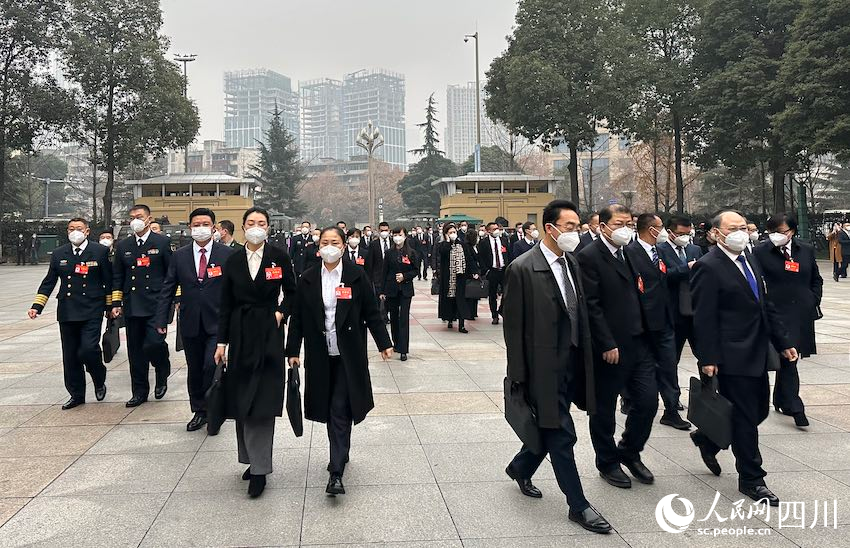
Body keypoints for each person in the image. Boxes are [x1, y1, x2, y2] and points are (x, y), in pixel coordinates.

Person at [503, 199, 611, 534]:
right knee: (562, 435)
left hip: (573, 362)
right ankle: (578, 506)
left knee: (551, 428)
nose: (575, 233)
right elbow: (513, 328)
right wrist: (519, 377)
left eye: (578, 226)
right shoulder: (522, 268)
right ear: (549, 228)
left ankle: (521, 467)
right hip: (541, 367)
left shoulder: (572, 263)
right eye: (569, 227)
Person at [690, 210, 797, 506]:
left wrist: (783, 341)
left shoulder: (749, 258)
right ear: (716, 233)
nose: (740, 232)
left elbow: (765, 303)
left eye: (743, 227)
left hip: (759, 349)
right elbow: (703, 317)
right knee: (747, 417)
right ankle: (752, 478)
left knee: (758, 410)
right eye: (732, 228)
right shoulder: (708, 266)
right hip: (731, 354)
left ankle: (708, 438)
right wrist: (708, 357)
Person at [286, 227, 393, 495]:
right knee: (329, 408)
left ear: (344, 246)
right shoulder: (308, 277)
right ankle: (341, 451)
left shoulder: (357, 275)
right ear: (318, 247)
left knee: (338, 408)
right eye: (325, 242)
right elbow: (298, 317)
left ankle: (335, 471)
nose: (330, 246)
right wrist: (292, 351)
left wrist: (384, 343)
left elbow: (371, 311)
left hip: (349, 354)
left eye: (335, 242)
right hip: (320, 353)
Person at [213, 206, 297, 498]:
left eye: (261, 223)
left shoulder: (279, 257)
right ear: (244, 226)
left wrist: (280, 313)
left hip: (269, 333)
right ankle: (250, 458)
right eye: (251, 223)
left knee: (263, 397)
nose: (256, 227)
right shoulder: (233, 260)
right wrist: (221, 343)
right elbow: (225, 303)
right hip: (240, 332)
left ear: (269, 227)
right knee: (242, 397)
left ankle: (260, 469)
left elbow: (293, 292)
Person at [577, 204, 659, 489]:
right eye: (619, 223)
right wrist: (606, 342)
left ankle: (629, 451)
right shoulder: (589, 256)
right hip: (611, 347)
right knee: (604, 408)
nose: (625, 228)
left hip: (640, 342)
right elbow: (592, 305)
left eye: (629, 223)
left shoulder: (631, 252)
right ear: (603, 226)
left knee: (648, 402)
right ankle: (607, 461)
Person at [157, 208, 234, 432]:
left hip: (217, 321)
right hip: (190, 321)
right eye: (196, 224)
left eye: (205, 223)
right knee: (195, 368)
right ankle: (199, 410)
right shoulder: (179, 255)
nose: (201, 228)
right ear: (190, 227)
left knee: (211, 364)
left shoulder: (225, 254)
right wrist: (162, 318)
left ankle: (214, 409)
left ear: (214, 227)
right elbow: (168, 287)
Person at [28, 218, 111, 409]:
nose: (75, 232)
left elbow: (109, 280)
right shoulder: (59, 254)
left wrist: (111, 306)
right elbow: (49, 281)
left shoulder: (99, 251)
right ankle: (76, 394)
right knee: (71, 355)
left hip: (92, 309)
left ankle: (99, 378)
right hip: (68, 310)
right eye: (71, 229)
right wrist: (37, 305)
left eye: (79, 229)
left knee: (88, 350)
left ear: (87, 231)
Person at [754, 213, 822, 428]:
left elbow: (815, 279)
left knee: (791, 356)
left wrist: (813, 299)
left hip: (800, 311)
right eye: (772, 232)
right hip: (775, 311)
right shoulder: (760, 252)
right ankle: (795, 405)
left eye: (781, 232)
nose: (776, 236)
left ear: (791, 231)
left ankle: (782, 399)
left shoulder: (805, 249)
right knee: (788, 356)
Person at [626, 214, 690, 430]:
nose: (663, 231)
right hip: (643, 321)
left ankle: (671, 409)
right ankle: (631, 400)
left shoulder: (659, 251)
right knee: (639, 367)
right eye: (660, 227)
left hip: (665, 319)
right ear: (650, 229)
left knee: (669, 365)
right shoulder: (630, 252)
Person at [112, 204, 172, 407]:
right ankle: (139, 391)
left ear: (148, 218)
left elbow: (171, 274)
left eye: (139, 216)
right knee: (136, 351)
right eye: (132, 217)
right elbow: (118, 275)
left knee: (154, 344)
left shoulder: (162, 242)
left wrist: (174, 300)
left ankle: (162, 369)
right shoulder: (124, 245)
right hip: (133, 304)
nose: (135, 220)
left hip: (156, 304)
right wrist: (116, 302)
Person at [657, 216, 704, 366]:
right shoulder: (660, 250)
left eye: (687, 234)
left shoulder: (694, 249)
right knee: (672, 357)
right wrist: (686, 268)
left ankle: (707, 387)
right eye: (680, 234)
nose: (684, 237)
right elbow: (661, 276)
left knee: (704, 353)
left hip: (695, 309)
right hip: (674, 310)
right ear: (670, 232)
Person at [380, 227, 417, 361]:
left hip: (406, 290)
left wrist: (405, 276)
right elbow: (384, 272)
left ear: (405, 236)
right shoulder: (389, 253)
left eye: (400, 234)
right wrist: (382, 291)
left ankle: (403, 349)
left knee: (403, 318)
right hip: (392, 289)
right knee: (394, 317)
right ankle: (396, 343)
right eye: (395, 235)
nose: (397, 237)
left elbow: (415, 270)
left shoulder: (411, 252)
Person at [436, 223, 479, 333]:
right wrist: (448, 241)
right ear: (446, 234)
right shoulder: (443, 245)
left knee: (461, 300)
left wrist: (474, 272)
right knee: (450, 299)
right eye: (450, 233)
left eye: (454, 232)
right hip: (448, 277)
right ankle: (450, 319)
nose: (453, 234)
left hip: (461, 277)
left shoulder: (462, 245)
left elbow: (469, 259)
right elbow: (443, 253)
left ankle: (461, 324)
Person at [477, 222, 511, 324]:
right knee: (492, 294)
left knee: (507, 292)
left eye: (498, 228)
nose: (497, 230)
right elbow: (481, 258)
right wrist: (486, 270)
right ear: (488, 231)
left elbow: (508, 254)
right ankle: (494, 315)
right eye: (494, 229)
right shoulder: (484, 243)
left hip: (503, 270)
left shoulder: (504, 240)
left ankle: (501, 309)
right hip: (492, 271)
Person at [368, 222, 392, 324]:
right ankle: (382, 316)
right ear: (378, 231)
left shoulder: (394, 242)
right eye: (382, 230)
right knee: (379, 297)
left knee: (390, 296)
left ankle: (387, 313)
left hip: (391, 275)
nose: (384, 232)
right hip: (378, 275)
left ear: (389, 230)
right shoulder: (374, 244)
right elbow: (370, 262)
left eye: (386, 230)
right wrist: (370, 277)